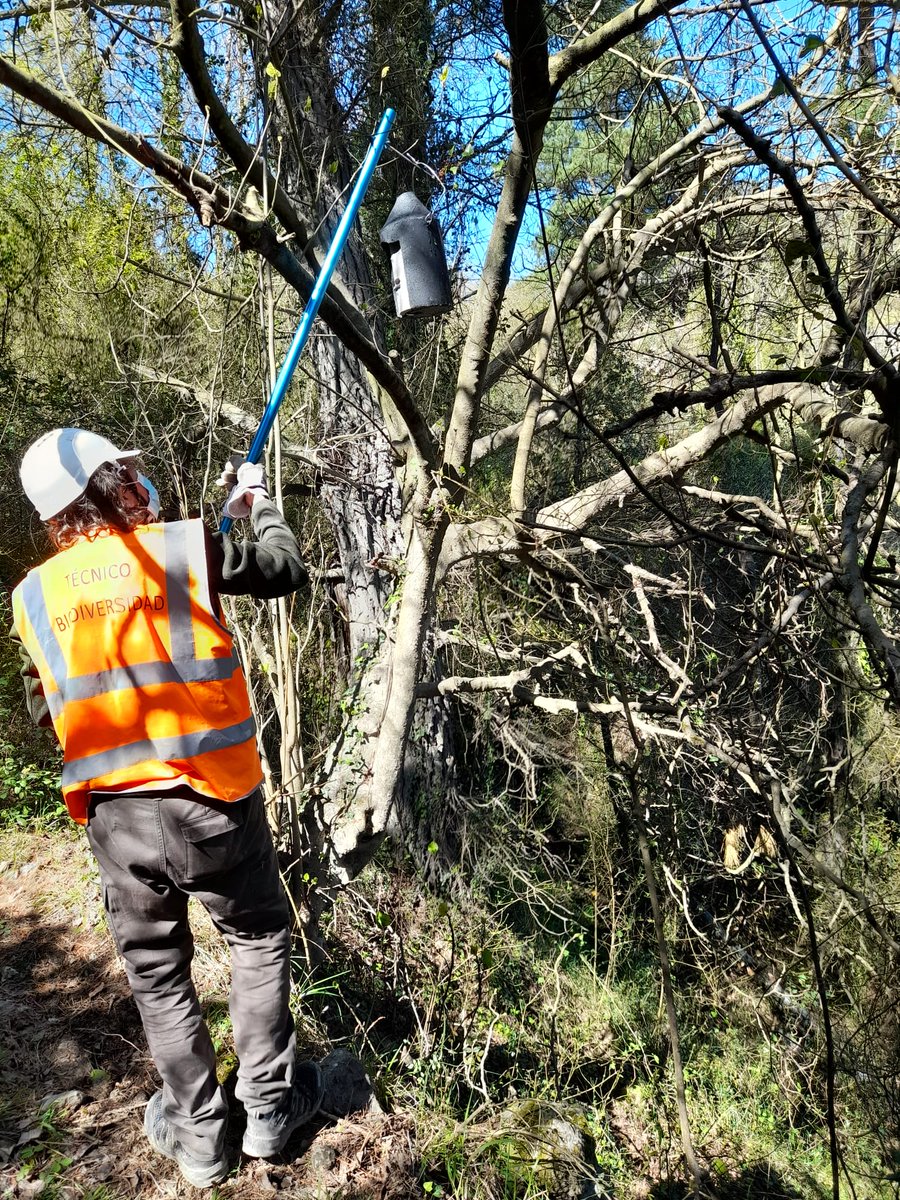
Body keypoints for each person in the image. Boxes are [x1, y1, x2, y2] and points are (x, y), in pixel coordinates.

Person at [10, 427, 322, 1188]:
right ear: (108, 485)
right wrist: (258, 507)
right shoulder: (182, 551)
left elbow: (42, 706)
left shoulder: (33, 596)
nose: (139, 482)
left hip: (117, 822)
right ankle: (270, 1114)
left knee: (156, 973)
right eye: (125, 472)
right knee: (253, 938)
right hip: (212, 799)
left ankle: (201, 1138)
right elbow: (284, 569)